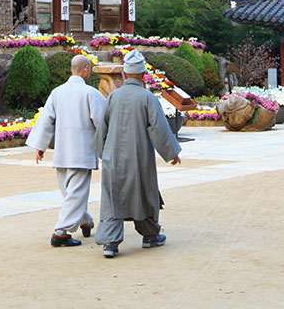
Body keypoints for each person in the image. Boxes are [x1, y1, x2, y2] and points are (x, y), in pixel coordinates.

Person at [94, 49, 182, 258]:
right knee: (143, 194)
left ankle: (110, 244)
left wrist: (101, 153)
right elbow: (159, 128)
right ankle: (150, 235)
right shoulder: (147, 98)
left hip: (113, 158)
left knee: (112, 198)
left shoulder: (113, 97)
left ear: (125, 73)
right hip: (139, 158)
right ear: (143, 75)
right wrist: (171, 153)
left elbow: (102, 128)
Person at [26, 54, 105, 248]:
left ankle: (85, 221)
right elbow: (102, 123)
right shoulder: (91, 94)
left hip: (62, 151)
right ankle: (61, 232)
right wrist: (107, 148)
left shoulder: (57, 92)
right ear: (86, 69)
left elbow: (46, 119)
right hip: (83, 151)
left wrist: (40, 146)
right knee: (75, 194)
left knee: (71, 194)